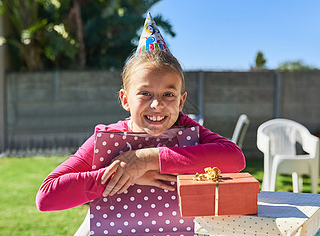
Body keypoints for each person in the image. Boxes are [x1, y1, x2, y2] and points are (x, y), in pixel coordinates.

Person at [36, 14, 245, 213]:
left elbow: (235, 159)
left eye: (169, 94)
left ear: (181, 101)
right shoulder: (108, 139)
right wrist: (126, 174)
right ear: (125, 99)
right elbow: (46, 196)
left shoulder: (188, 129)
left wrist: (146, 159)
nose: (157, 104)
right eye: (145, 93)